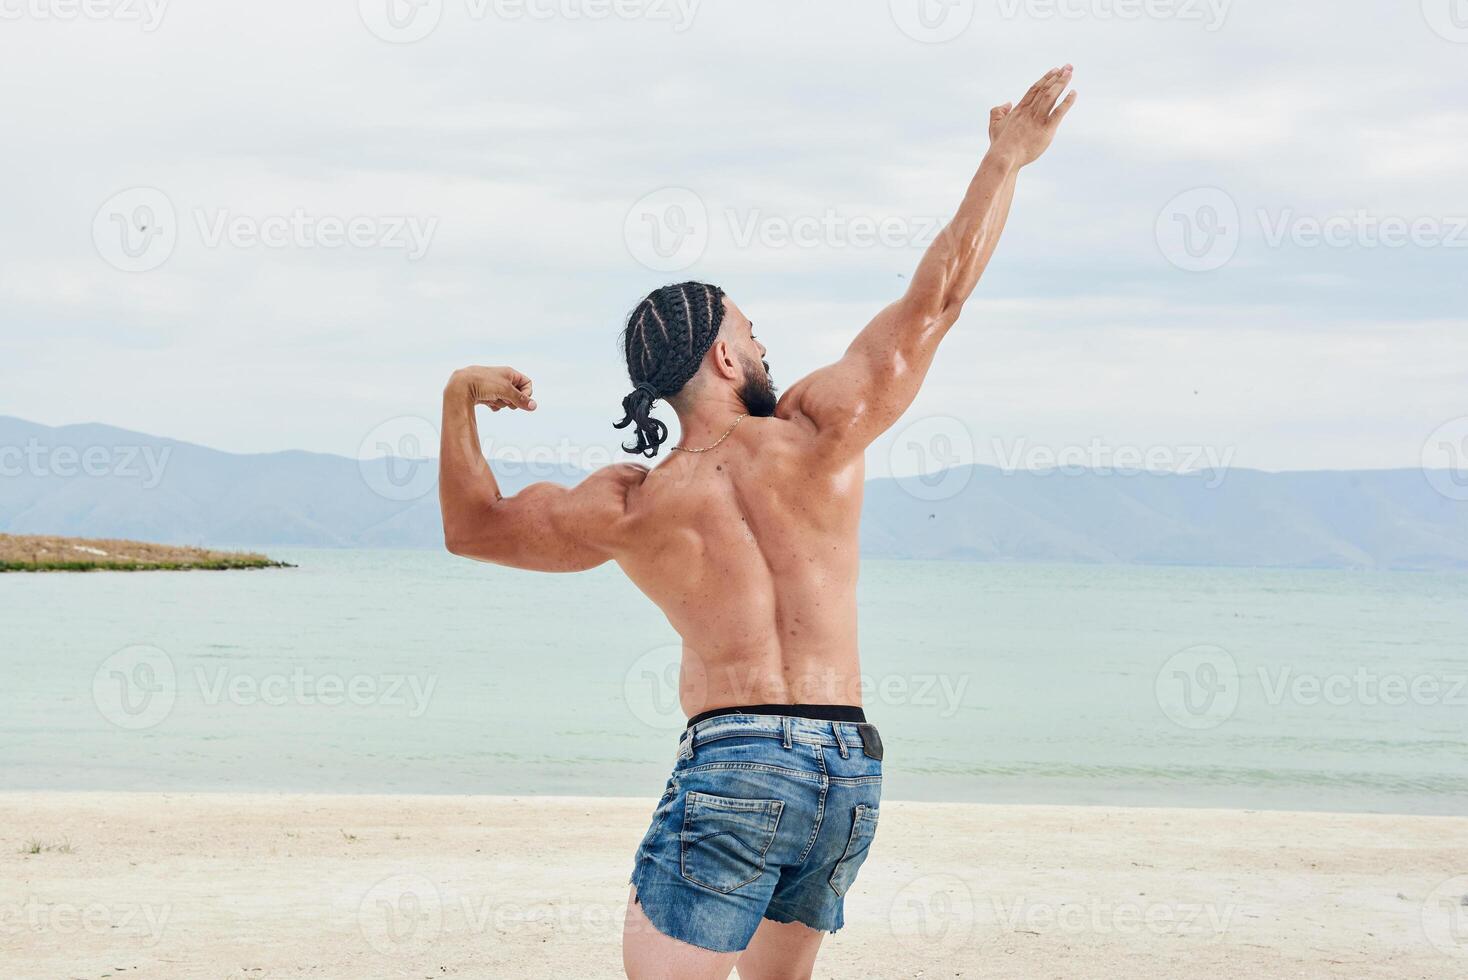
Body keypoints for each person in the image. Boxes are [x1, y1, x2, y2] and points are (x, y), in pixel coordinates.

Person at [438, 65, 1076, 980]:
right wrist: (1004, 164)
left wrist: (460, 397)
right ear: (726, 353)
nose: (767, 346)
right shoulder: (821, 430)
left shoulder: (632, 504)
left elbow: (475, 528)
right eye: (754, 330)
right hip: (847, 769)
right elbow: (937, 300)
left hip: (737, 760)